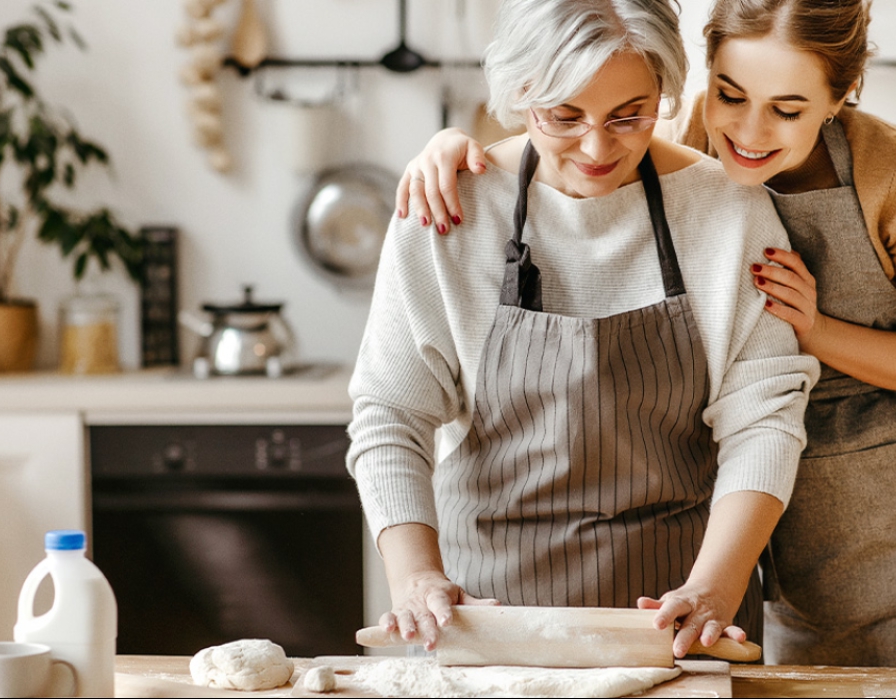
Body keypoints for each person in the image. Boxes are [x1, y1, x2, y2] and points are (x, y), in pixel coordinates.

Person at [391, 0, 896, 668]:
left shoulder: (885, 175)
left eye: (787, 109)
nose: (749, 130)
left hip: (895, 516)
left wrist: (815, 330)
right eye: (730, 95)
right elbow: (580, 119)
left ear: (839, 97)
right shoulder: (680, 138)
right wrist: (452, 147)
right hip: (768, 528)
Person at [347, 0, 818, 660]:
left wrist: (716, 587)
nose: (598, 148)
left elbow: (764, 418)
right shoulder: (450, 205)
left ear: (665, 91)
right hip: (486, 621)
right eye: (564, 116)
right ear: (520, 94)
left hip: (678, 623)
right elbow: (391, 410)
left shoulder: (729, 209)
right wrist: (415, 574)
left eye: (631, 114)